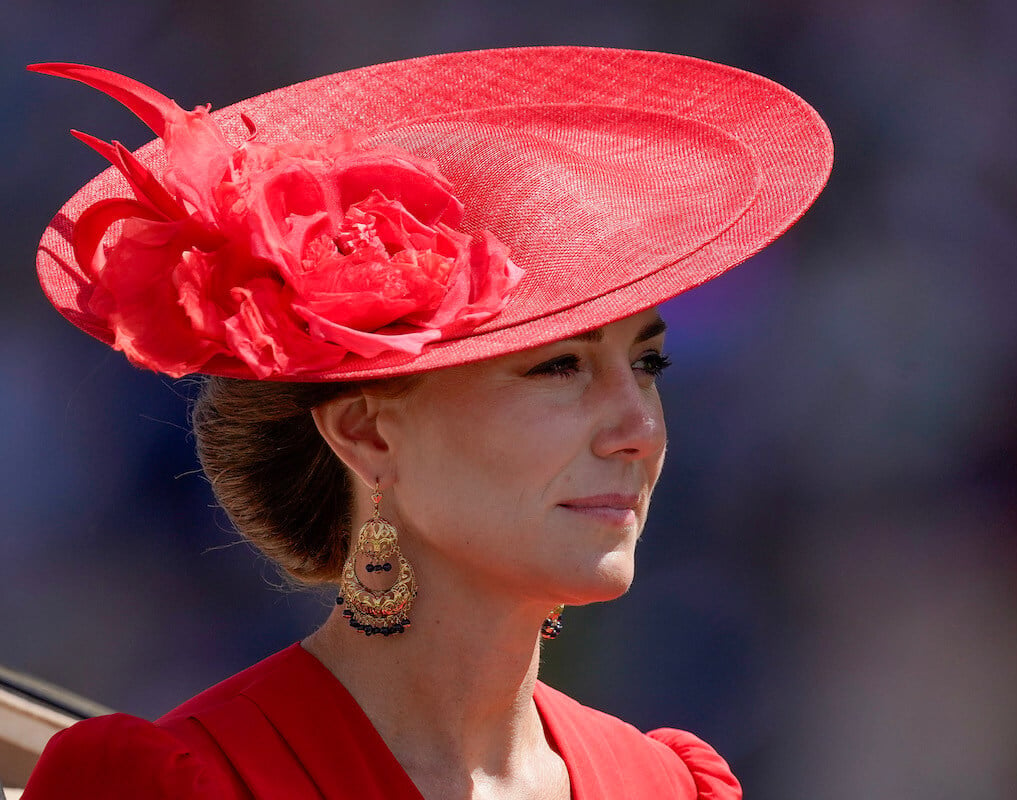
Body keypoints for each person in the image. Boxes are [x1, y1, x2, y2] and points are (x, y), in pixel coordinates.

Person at [19, 47, 832, 798]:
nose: (638, 429)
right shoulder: (178, 784)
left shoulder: (662, 784)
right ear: (369, 435)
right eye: (559, 366)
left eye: (648, 365)